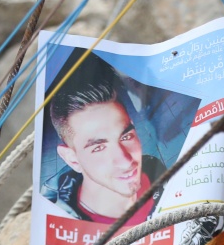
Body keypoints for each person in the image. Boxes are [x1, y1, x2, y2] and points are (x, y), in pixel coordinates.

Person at [46, 56, 164, 224]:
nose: (126, 161)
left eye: (126, 136)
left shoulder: (157, 172)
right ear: (72, 159)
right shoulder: (60, 222)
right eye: (99, 148)